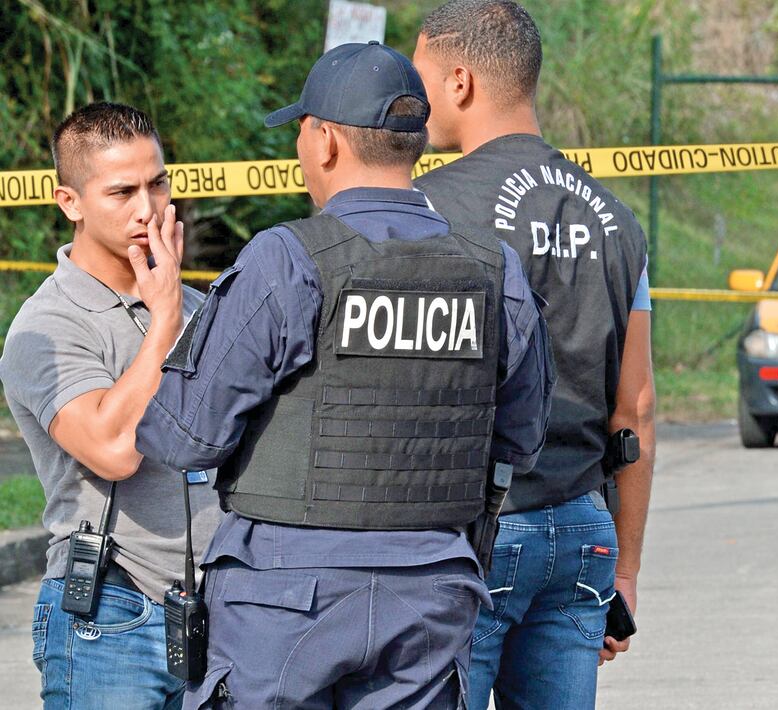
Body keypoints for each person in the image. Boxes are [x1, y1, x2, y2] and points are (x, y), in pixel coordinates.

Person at [134, 40, 553, 709]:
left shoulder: (287, 261)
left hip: (282, 601)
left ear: (324, 141)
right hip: (431, 598)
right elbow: (521, 442)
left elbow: (185, 439)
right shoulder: (493, 269)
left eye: (301, 132)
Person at [413, 3, 656, 708]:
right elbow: (635, 406)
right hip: (584, 527)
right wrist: (628, 569)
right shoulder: (619, 219)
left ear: (458, 81)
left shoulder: (428, 209)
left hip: (476, 526)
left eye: (419, 76)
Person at [0, 102, 221, 709]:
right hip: (112, 613)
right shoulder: (46, 326)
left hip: (217, 611)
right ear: (69, 201)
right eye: (121, 191)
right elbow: (114, 450)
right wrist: (165, 319)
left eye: (158, 184)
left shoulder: (205, 311)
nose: (146, 210)